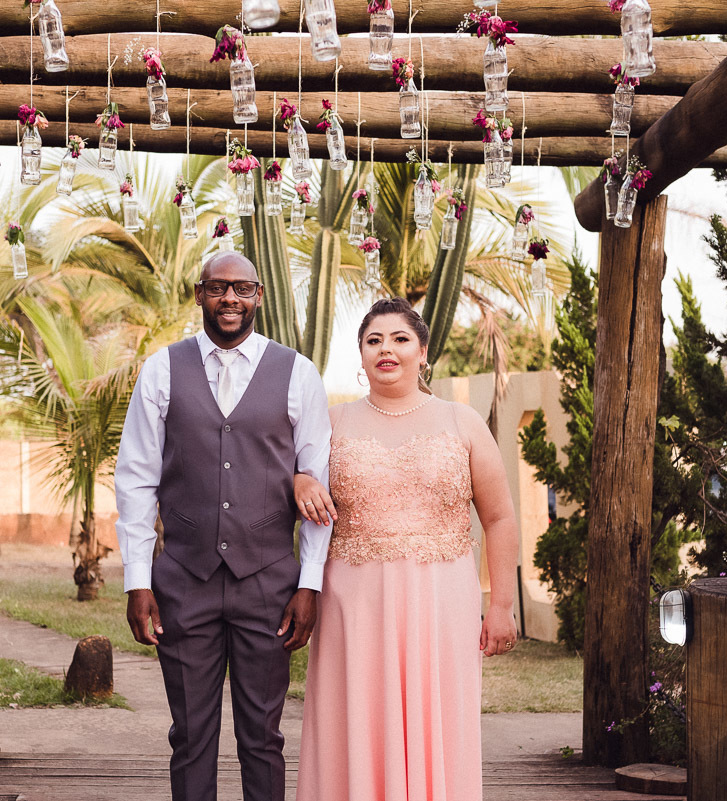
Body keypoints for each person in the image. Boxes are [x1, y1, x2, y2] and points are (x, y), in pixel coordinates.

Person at [114, 252, 333, 801]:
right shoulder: (162, 370)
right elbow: (136, 478)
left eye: (241, 289)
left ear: (259, 295)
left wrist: (310, 584)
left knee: (263, 736)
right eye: (217, 288)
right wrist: (137, 580)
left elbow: (317, 486)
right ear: (198, 294)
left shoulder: (297, 372)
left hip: (269, 582)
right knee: (190, 735)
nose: (229, 299)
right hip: (184, 580)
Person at [294, 297, 520, 801]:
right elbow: (290, 475)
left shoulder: (461, 422)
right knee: (356, 713)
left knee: (436, 713)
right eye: (374, 340)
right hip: (353, 600)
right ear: (360, 355)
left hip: (441, 599)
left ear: (423, 351)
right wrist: (298, 482)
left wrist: (501, 605)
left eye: (399, 339)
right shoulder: (329, 423)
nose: (386, 349)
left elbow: (500, 517)